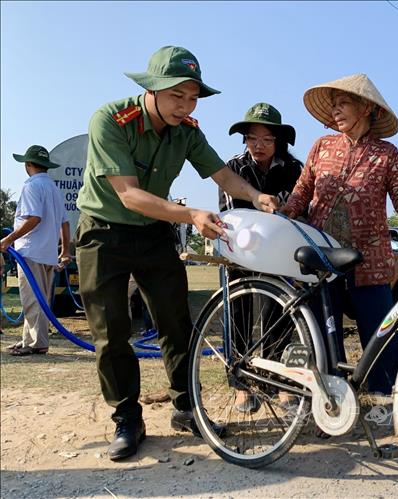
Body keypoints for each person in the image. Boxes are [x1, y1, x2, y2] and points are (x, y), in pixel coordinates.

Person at [75, 46, 279, 462]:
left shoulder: (187, 130)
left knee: (176, 322)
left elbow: (222, 175)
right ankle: (127, 419)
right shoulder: (110, 120)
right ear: (152, 88)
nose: (184, 106)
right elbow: (129, 195)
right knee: (112, 332)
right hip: (103, 232)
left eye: (192, 98)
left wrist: (257, 196)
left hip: (153, 234)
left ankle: (188, 409)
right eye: (176, 95)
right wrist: (191, 214)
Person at [282, 73, 398, 396]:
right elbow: (300, 195)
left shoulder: (387, 154)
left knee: (382, 337)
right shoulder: (321, 147)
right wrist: (280, 214)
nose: (336, 111)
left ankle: (396, 404)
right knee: (323, 338)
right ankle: (331, 404)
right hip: (322, 258)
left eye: (344, 103)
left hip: (369, 261)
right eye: (334, 105)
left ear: (367, 108)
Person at [218, 102, 302, 413]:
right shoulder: (233, 169)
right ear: (244, 140)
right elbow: (230, 214)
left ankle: (277, 382)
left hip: (279, 255)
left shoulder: (295, 170)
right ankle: (241, 384)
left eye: (267, 139)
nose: (259, 145)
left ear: (278, 141)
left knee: (278, 315)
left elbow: (299, 210)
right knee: (238, 315)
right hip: (240, 252)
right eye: (253, 137)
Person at [0, 146, 71, 356]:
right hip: (48, 252)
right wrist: (65, 249)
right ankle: (28, 339)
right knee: (39, 300)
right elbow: (65, 223)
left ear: (28, 165)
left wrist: (8, 239)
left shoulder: (32, 186)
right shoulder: (53, 188)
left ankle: (36, 343)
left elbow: (34, 218)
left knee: (32, 299)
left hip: (31, 252)